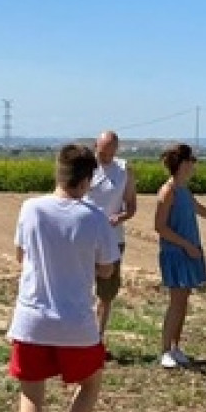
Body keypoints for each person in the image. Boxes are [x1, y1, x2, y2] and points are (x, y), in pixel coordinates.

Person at [7, 143, 120, 412]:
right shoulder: (95, 217)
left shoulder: (31, 209)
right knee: (90, 384)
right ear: (87, 180)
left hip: (32, 319)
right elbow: (106, 269)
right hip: (77, 322)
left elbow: (20, 255)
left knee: (32, 395)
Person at [154, 143, 206, 369]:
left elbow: (196, 207)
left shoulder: (183, 189)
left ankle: (175, 347)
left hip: (189, 251)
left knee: (183, 302)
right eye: (192, 161)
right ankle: (165, 350)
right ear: (184, 163)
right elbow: (160, 227)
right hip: (175, 253)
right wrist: (186, 245)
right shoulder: (167, 191)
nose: (194, 165)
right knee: (176, 303)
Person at [84, 130, 137, 339]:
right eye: (102, 152)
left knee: (106, 292)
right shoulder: (86, 168)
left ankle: (98, 336)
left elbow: (132, 206)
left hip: (113, 238)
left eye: (109, 153)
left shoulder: (124, 170)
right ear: (95, 146)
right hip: (84, 238)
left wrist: (121, 217)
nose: (105, 157)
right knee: (81, 288)